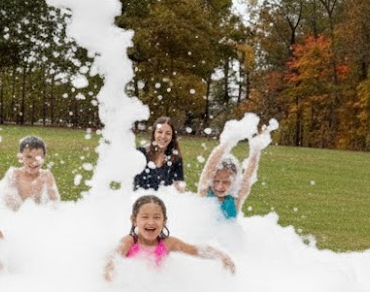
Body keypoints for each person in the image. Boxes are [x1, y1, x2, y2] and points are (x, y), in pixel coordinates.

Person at [107, 194, 235, 278]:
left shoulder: (168, 243)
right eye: (145, 217)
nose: (151, 222)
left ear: (164, 221)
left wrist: (221, 256)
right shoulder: (129, 242)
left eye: (156, 217)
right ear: (134, 220)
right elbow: (111, 261)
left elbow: (195, 250)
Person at [198, 121, 274, 219]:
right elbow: (209, 166)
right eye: (216, 181)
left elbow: (248, 178)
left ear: (234, 181)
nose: (220, 186)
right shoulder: (204, 194)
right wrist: (227, 143)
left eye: (226, 182)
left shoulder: (235, 201)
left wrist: (255, 150)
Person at [0, 135, 61, 211]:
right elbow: (7, 200)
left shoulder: (46, 176)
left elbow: (55, 201)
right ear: (21, 157)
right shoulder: (14, 174)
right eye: (29, 157)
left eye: (38, 157)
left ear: (44, 158)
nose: (33, 162)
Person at [133, 116, 185, 192]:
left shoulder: (176, 159)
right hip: (141, 200)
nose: (163, 136)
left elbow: (180, 188)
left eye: (168, 133)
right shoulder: (140, 153)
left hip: (163, 202)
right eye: (160, 132)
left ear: (172, 136)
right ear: (154, 133)